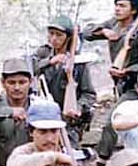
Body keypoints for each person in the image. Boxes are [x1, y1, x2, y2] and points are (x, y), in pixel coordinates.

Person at [82, 0, 138, 166]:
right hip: (120, 86)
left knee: (111, 123)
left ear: (133, 10)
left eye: (122, 6)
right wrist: (104, 32)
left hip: (136, 87)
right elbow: (87, 32)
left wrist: (127, 70)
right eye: (116, 5)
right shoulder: (114, 23)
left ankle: (100, 164)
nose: (117, 9)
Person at [32, 15, 97, 146]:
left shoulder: (78, 63)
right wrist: (50, 62)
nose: (54, 39)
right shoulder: (42, 53)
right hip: (43, 116)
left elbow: (89, 94)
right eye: (51, 34)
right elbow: (28, 69)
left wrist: (77, 108)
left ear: (68, 38)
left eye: (59, 35)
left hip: (68, 122)